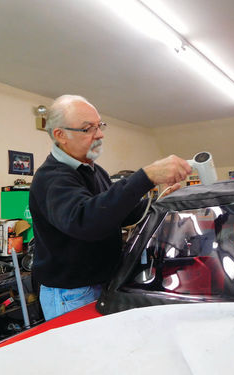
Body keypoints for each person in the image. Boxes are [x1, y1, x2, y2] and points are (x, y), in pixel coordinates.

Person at [29, 94, 191, 320]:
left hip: (102, 283)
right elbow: (87, 221)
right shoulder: (52, 178)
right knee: (82, 355)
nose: (100, 134)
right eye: (88, 129)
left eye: (99, 126)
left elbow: (117, 214)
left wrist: (161, 201)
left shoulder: (94, 171)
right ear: (60, 135)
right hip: (72, 293)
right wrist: (146, 177)